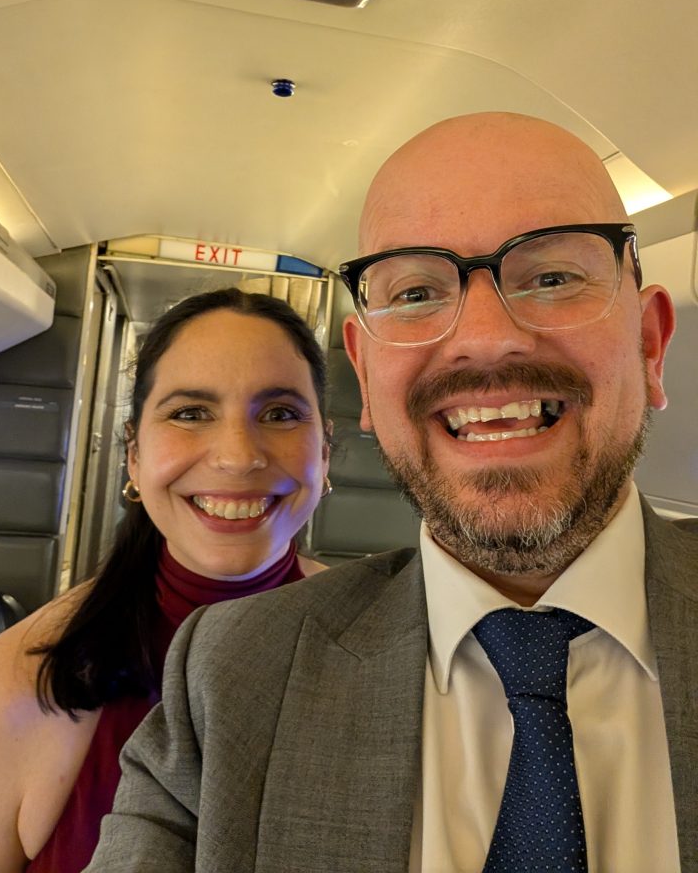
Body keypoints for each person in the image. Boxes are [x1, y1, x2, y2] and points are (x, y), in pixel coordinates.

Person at [83, 113, 697, 873]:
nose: (484, 338)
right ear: (366, 377)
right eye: (415, 292)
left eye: (551, 277)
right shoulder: (233, 675)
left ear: (648, 344)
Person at [0, 287, 331, 873]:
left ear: (326, 456)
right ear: (134, 458)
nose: (238, 456)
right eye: (190, 413)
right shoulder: (15, 684)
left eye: (280, 414)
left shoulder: (388, 640)